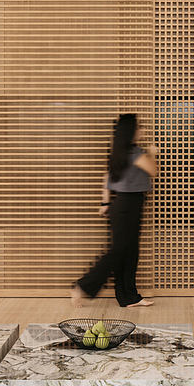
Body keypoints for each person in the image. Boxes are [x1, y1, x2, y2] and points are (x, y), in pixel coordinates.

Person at [71, 113, 158, 308]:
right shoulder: (136, 153)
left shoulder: (119, 152)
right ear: (131, 131)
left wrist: (105, 203)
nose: (143, 130)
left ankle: (129, 297)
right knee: (119, 251)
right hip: (128, 205)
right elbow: (154, 171)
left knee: (130, 252)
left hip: (123, 205)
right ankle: (82, 286)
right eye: (140, 127)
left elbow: (107, 177)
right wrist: (152, 153)